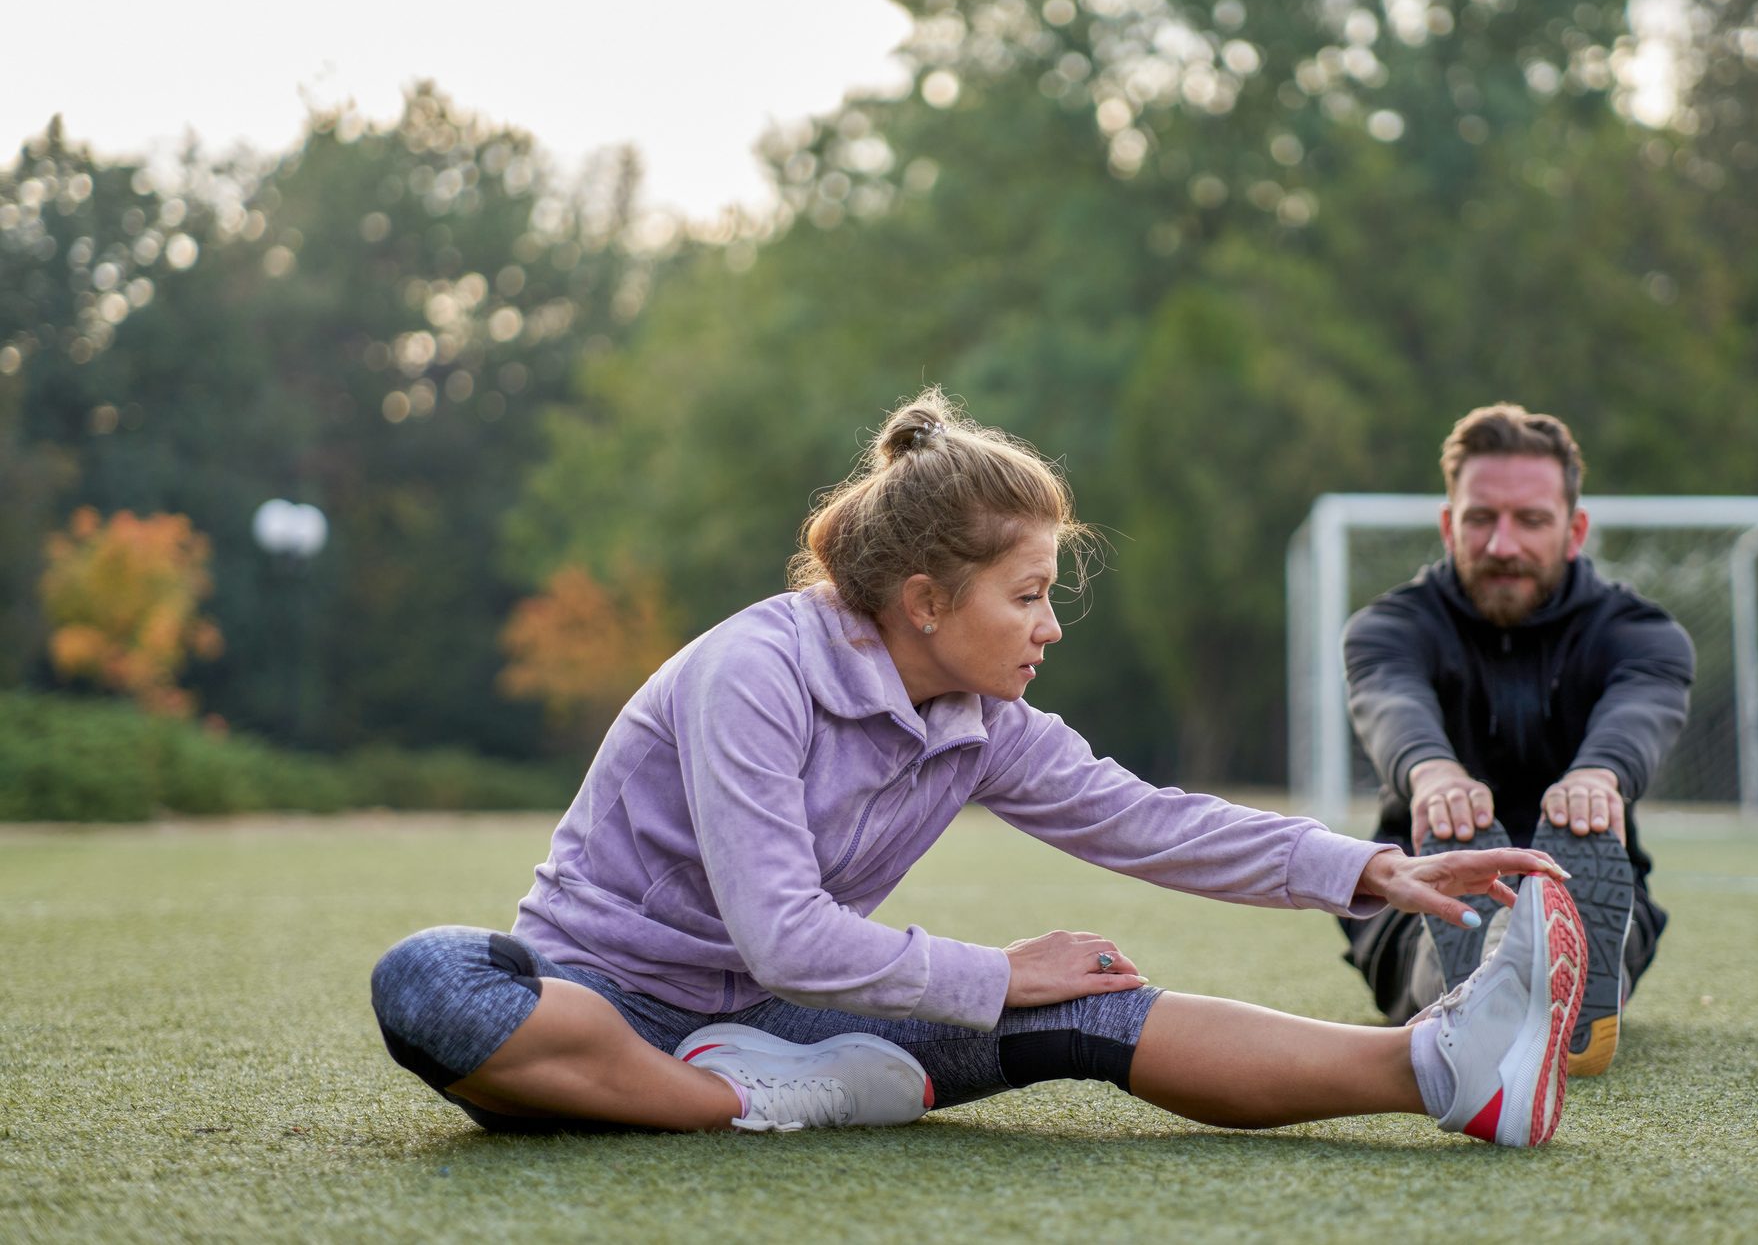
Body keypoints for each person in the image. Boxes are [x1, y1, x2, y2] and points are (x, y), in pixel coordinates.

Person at [371, 390, 1587, 1147]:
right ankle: (740, 1100)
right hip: (600, 1020)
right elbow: (786, 931)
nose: (1050, 625)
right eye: (1027, 595)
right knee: (432, 981)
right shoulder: (753, 670)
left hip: (788, 1022)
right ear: (923, 600)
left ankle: (1440, 1066)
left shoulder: (977, 711)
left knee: (1092, 1003)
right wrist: (992, 969)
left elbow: (1145, 820)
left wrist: (1373, 868)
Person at [1340, 404, 1694, 1076]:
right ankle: (1472, 979)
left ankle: (1571, 961)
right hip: (1413, 880)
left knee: (1597, 912)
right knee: (1425, 908)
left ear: (1573, 529)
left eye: (1529, 520)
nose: (1502, 544)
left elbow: (1641, 707)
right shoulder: (1386, 629)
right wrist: (1432, 773)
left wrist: (1599, 776)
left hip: (1593, 871)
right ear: (1449, 526)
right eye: (1480, 519)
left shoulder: (1643, 635)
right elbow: (1389, 698)